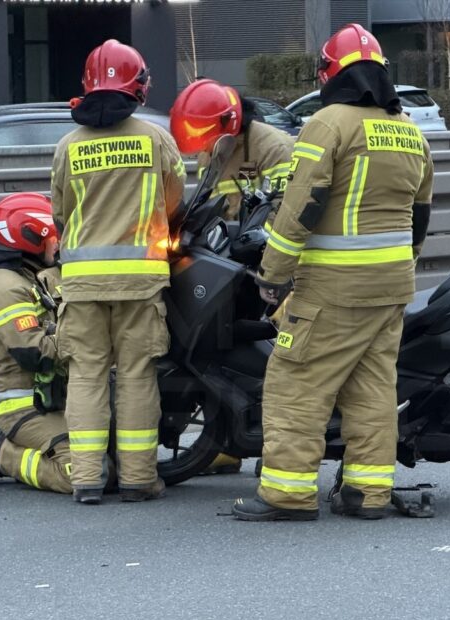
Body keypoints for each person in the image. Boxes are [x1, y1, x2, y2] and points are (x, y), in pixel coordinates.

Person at [231, 23, 434, 522]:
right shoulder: (407, 130)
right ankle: (368, 494)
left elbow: (302, 205)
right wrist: (401, 265)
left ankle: (287, 494)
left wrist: (273, 273)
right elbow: (421, 214)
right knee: (371, 390)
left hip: (333, 287)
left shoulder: (327, 124)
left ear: (329, 73)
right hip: (391, 286)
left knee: (295, 382)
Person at [51, 39, 186, 505]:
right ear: (140, 87)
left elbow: (61, 213)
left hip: (82, 283)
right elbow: (174, 201)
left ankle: (86, 478)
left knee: (86, 375)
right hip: (140, 281)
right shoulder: (154, 139)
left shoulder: (69, 145)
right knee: (135, 376)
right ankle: (137, 479)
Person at [169, 78, 296, 476]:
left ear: (230, 121)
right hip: (234, 263)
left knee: (284, 353)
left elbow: (283, 214)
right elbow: (209, 202)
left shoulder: (274, 148)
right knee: (225, 352)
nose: (201, 143)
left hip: (278, 265)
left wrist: (268, 269)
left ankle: (284, 445)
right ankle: (228, 443)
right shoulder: (214, 149)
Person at [0, 192, 72, 494]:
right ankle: (4, 455)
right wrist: (87, 337)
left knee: (118, 462)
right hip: (26, 407)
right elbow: (35, 354)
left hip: (54, 398)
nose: (57, 243)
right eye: (52, 237)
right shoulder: (6, 288)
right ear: (29, 238)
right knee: (82, 474)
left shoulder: (36, 277)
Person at [169, 78, 294, 220]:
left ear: (226, 124)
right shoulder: (209, 153)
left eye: (204, 134)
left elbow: (282, 216)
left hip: (260, 239)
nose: (203, 148)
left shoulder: (274, 150)